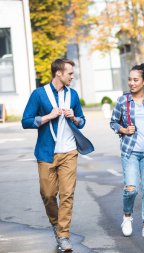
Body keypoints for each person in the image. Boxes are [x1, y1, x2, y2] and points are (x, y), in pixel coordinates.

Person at [22, 58, 86, 252]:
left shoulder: (72, 95)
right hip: (46, 153)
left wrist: (73, 117)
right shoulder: (39, 94)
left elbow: (82, 121)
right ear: (58, 73)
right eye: (70, 73)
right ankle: (56, 225)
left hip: (69, 152)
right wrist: (49, 116)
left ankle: (64, 235)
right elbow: (25, 121)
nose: (72, 77)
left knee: (67, 195)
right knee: (48, 194)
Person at [110, 63, 144, 239]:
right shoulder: (122, 101)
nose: (131, 83)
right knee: (131, 188)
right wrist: (123, 130)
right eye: (130, 79)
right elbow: (113, 122)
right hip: (130, 151)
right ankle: (127, 217)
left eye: (136, 80)